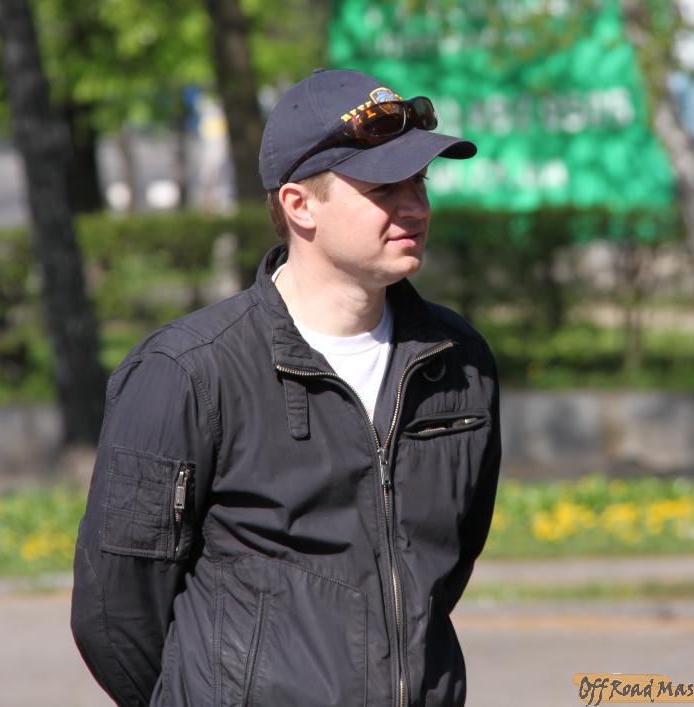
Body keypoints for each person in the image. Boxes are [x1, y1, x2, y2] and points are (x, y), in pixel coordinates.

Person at [71, 68, 501, 706]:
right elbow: (116, 615)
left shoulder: (457, 361)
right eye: (384, 187)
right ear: (300, 205)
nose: (415, 206)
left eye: (420, 181)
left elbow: (439, 571)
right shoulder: (188, 370)